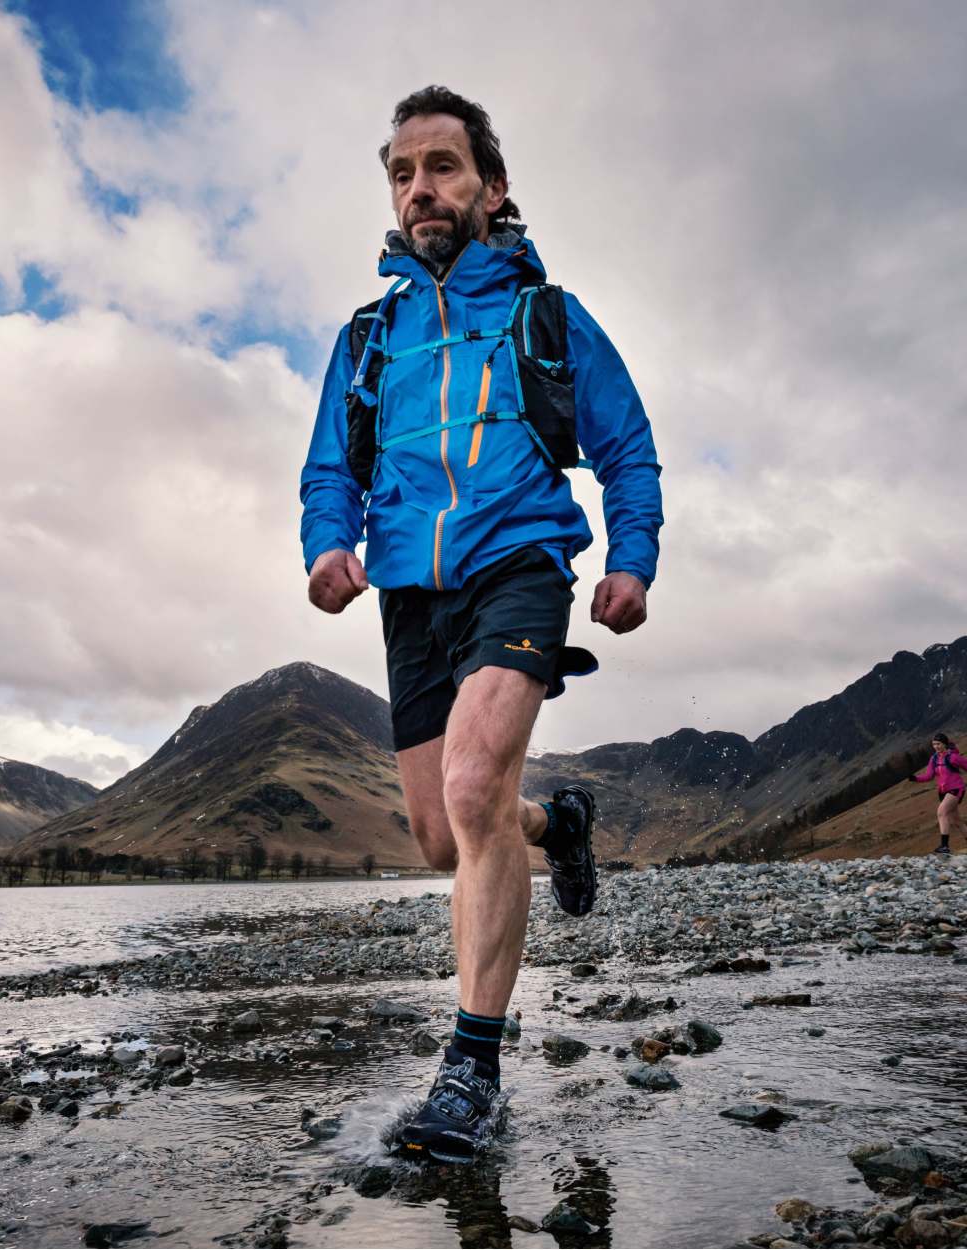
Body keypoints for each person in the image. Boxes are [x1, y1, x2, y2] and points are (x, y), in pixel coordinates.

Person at [300, 86, 663, 1163]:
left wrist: (632, 559)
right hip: (411, 592)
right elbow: (330, 469)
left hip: (520, 562)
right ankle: (560, 823)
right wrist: (327, 545)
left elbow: (627, 447)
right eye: (402, 173)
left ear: (492, 187)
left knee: (470, 789)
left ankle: (471, 1070)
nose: (420, 189)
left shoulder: (547, 316)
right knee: (439, 834)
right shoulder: (369, 338)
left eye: (442, 167)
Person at [909, 733, 967, 855]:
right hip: (943, 792)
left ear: (945, 744)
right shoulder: (934, 758)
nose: (936, 746)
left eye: (938, 744)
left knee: (941, 812)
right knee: (957, 821)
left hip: (956, 789)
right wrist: (915, 778)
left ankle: (944, 846)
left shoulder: (953, 757)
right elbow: (929, 776)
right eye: (934, 744)